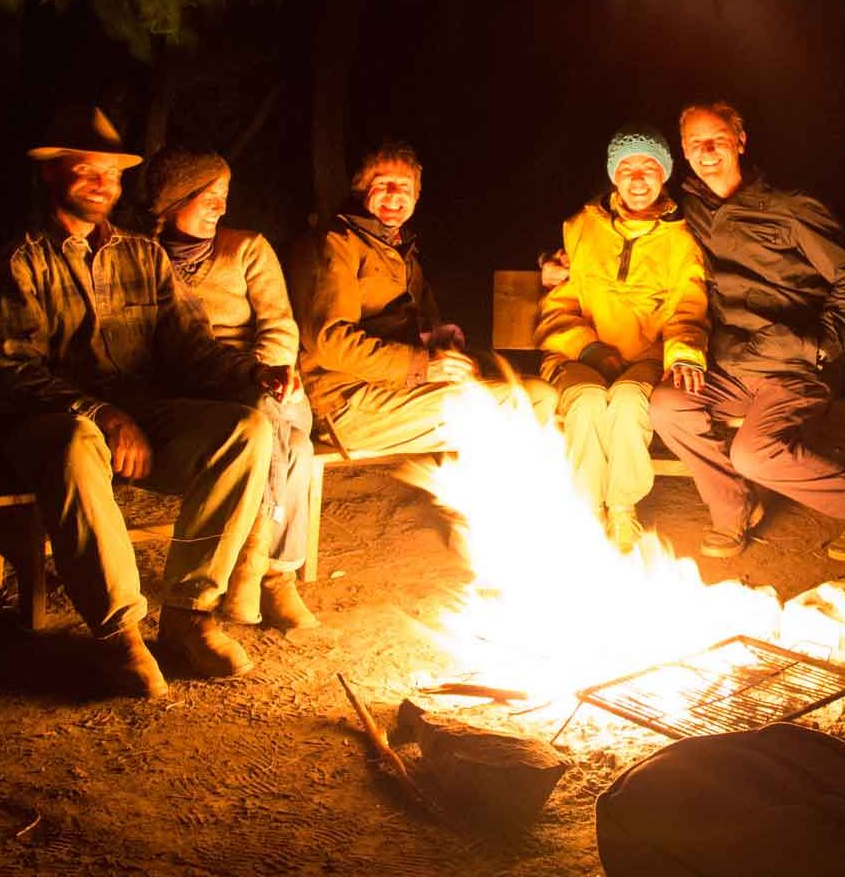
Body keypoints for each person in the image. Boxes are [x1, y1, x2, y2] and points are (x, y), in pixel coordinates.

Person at [0, 106, 283, 698]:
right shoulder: (21, 261)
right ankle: (119, 633)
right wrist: (104, 414)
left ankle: (189, 614)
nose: (103, 184)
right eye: (86, 171)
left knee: (246, 430)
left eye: (112, 174)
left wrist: (255, 375)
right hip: (47, 425)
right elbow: (15, 370)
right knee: (75, 440)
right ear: (53, 176)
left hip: (139, 419)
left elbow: (192, 348)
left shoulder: (141, 256)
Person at [650, 100, 845, 562]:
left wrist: (822, 345)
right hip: (729, 366)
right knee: (668, 404)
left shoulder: (791, 209)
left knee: (754, 453)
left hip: (792, 366)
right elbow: (624, 216)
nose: (707, 151)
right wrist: (559, 264)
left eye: (718, 140)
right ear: (683, 152)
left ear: (740, 142)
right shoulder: (688, 210)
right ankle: (733, 509)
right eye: (695, 143)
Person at [286, 143, 556, 457]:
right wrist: (422, 365)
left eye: (404, 186)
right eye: (382, 184)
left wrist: (448, 350)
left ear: (416, 197)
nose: (393, 194)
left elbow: (423, 331)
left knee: (533, 392)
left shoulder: (401, 253)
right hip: (347, 403)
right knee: (524, 403)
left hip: (397, 391)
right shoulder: (335, 244)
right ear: (362, 190)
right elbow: (329, 341)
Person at [146, 148, 319, 631]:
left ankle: (252, 564)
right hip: (201, 391)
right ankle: (273, 577)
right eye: (207, 197)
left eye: (224, 197)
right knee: (297, 449)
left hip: (264, 380)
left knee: (271, 409)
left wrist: (266, 370)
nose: (220, 208)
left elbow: (280, 325)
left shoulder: (246, 248)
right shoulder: (143, 258)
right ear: (171, 200)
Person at [536, 126, 708, 550]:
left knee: (631, 400)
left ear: (663, 175)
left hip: (644, 360)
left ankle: (622, 509)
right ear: (614, 175)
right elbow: (558, 308)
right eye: (627, 168)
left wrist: (684, 354)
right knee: (589, 399)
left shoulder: (681, 239)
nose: (637, 179)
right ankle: (588, 509)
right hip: (576, 357)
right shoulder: (580, 228)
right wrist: (588, 349)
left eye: (648, 167)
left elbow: (689, 304)